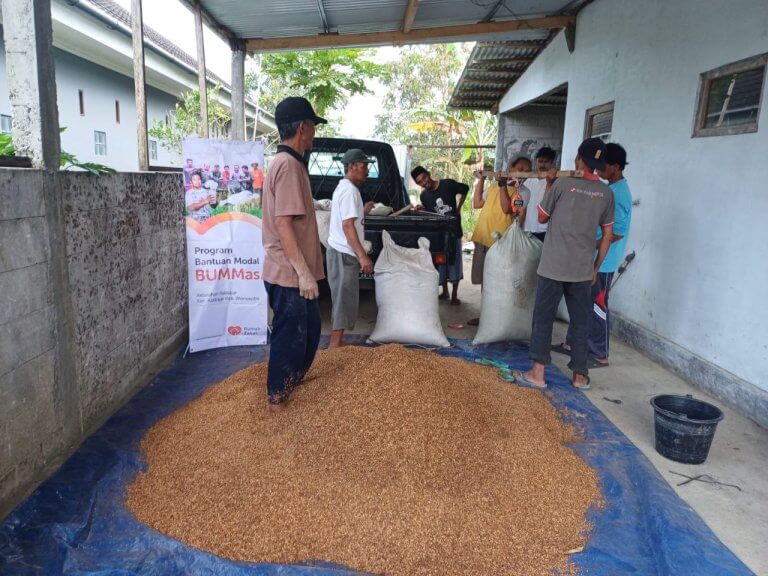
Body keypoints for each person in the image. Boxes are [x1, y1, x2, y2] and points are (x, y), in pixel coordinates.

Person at [512, 138, 614, 390]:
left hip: (553, 267)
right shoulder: (606, 193)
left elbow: (541, 217)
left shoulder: (562, 184)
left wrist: (549, 184)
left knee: (543, 318)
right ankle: (580, 376)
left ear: (579, 159)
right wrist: (595, 268)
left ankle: (538, 374)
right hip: (582, 270)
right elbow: (607, 236)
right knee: (580, 322)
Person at [262, 96, 327, 411]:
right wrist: (303, 273)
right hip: (289, 274)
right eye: (313, 126)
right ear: (303, 128)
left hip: (295, 273)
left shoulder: (290, 163)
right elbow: (283, 224)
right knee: (290, 339)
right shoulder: (287, 166)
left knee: (309, 332)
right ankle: (276, 400)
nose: (314, 132)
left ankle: (290, 386)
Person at [553, 143, 632, 367]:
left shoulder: (618, 193)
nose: (599, 168)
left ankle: (599, 353)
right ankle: (572, 344)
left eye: (604, 164)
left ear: (616, 167)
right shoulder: (609, 189)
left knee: (597, 306)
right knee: (580, 302)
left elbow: (617, 232)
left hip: (603, 261)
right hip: (591, 257)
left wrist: (590, 245)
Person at [468, 155, 532, 325]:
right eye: (520, 169)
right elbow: (477, 203)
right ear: (511, 168)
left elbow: (506, 209)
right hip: (484, 237)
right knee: (485, 280)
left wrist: (503, 185)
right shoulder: (494, 185)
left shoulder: (523, 192)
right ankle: (485, 317)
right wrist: (481, 180)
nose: (523, 174)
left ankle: (496, 319)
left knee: (498, 281)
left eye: (527, 171)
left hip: (501, 243)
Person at [327, 149, 376, 348]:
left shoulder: (346, 188)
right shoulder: (349, 191)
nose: (367, 171)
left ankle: (337, 342)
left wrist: (363, 211)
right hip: (343, 253)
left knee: (345, 297)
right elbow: (348, 226)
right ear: (352, 166)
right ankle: (334, 345)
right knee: (343, 298)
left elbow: (348, 219)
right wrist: (363, 256)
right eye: (364, 166)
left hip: (341, 252)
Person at [411, 165, 469, 305]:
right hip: (438, 234)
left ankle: (454, 295)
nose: (424, 182)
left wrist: (459, 208)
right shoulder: (424, 196)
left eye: (424, 178)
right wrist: (422, 208)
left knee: (454, 261)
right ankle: (445, 291)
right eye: (420, 182)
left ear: (428, 173)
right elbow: (430, 210)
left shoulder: (447, 184)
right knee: (440, 262)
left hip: (454, 230)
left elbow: (465, 188)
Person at [518, 147, 557, 242]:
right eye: (540, 161)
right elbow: (522, 207)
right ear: (536, 161)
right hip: (527, 229)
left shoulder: (556, 183)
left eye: (546, 162)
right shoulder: (528, 181)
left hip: (546, 231)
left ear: (552, 163)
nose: (542, 165)